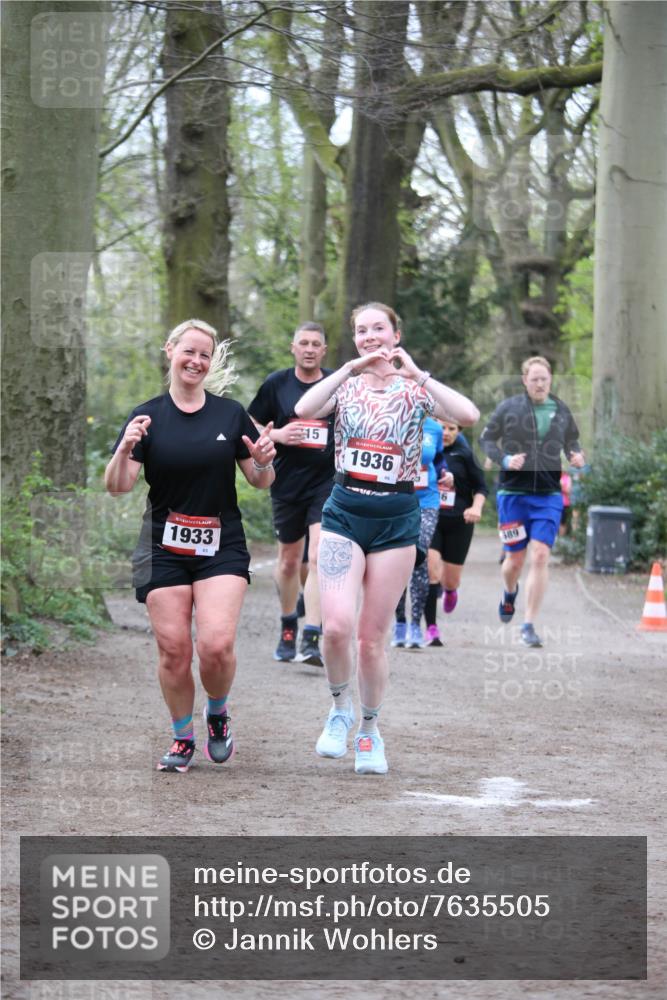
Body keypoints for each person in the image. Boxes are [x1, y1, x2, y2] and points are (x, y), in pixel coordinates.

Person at [294, 302, 479, 774]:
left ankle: (369, 732)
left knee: (371, 639)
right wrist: (350, 368)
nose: (370, 336)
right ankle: (340, 710)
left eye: (379, 328)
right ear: (354, 338)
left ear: (396, 334)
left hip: (397, 516)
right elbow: (303, 408)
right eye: (361, 330)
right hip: (344, 511)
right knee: (335, 627)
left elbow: (468, 414)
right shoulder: (348, 386)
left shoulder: (415, 392)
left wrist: (417, 374)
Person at [105, 319, 276, 773]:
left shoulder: (230, 413)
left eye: (205, 354)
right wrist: (124, 450)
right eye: (189, 351)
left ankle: (217, 711)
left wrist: (262, 463)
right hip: (163, 545)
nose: (196, 361)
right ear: (170, 351)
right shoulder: (147, 416)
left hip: (221, 543)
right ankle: (182, 737)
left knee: (216, 645)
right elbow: (118, 486)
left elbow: (259, 481)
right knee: (174, 649)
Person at [479, 355, 585, 648]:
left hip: (549, 496)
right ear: (525, 380)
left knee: (539, 555)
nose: (540, 383)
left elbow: (573, 441)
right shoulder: (508, 408)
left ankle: (528, 624)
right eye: (534, 379)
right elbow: (486, 440)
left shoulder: (561, 411)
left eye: (544, 379)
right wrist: (505, 459)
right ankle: (508, 591)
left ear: (551, 380)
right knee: (514, 561)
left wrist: (577, 455)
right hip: (513, 495)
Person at [248, 323, 335, 666]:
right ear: (293, 347)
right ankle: (288, 625)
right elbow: (249, 422)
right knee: (288, 561)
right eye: (304, 343)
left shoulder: (335, 384)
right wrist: (280, 435)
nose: (310, 348)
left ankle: (311, 636)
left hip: (326, 482)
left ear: (324, 351)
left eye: (316, 344)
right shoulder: (277, 384)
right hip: (285, 484)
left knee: (318, 556)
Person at [423, 421, 488, 646]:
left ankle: (450, 590)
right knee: (431, 570)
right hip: (431, 518)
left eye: (452, 429)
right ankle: (431, 628)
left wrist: (476, 508)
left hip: (460, 522)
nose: (446, 433)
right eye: (442, 427)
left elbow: (481, 487)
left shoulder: (465, 454)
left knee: (450, 580)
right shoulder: (425, 450)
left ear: (459, 431)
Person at [391, 414, 444, 649]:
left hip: (428, 500)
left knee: (419, 555)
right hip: (397, 499)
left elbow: (439, 459)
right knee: (398, 559)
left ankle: (415, 625)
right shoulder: (391, 421)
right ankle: (400, 622)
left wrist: (447, 473)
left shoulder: (435, 428)